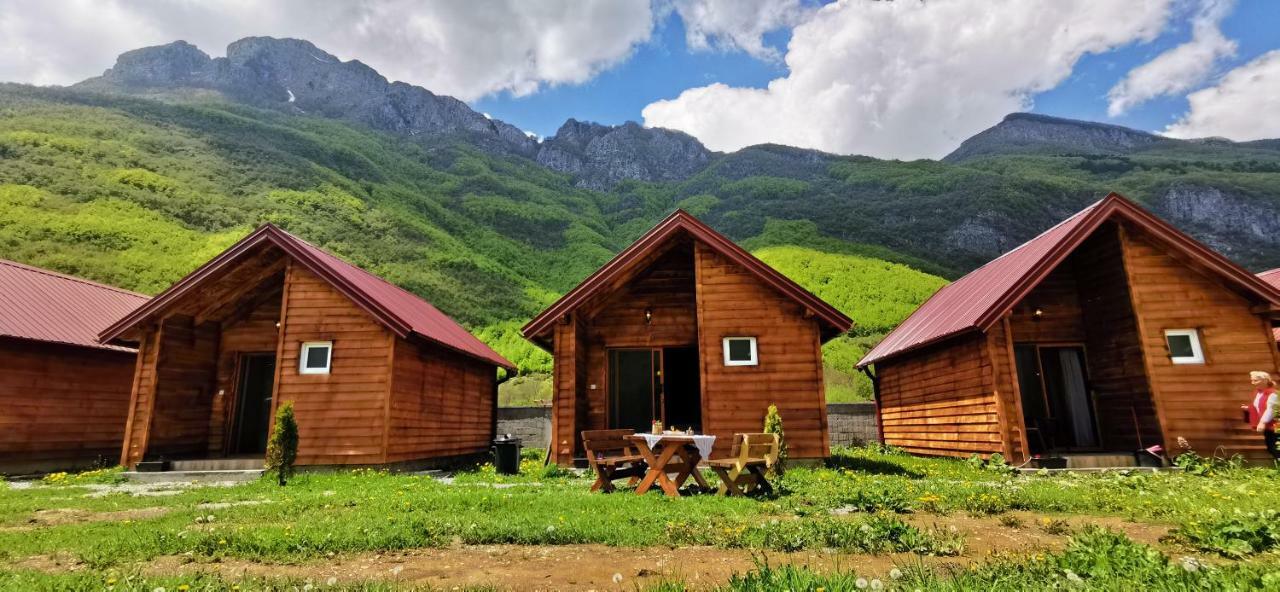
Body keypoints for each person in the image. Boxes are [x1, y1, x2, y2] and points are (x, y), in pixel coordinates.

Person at [1242, 371, 1280, 460]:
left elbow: (1271, 409)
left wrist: (1262, 422)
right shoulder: (1259, 393)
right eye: (1252, 381)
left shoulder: (1273, 393)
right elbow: (1258, 406)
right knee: (1271, 446)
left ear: (1265, 380)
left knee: (1275, 447)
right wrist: (1248, 408)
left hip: (1276, 425)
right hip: (1270, 426)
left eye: (1255, 381)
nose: (1253, 383)